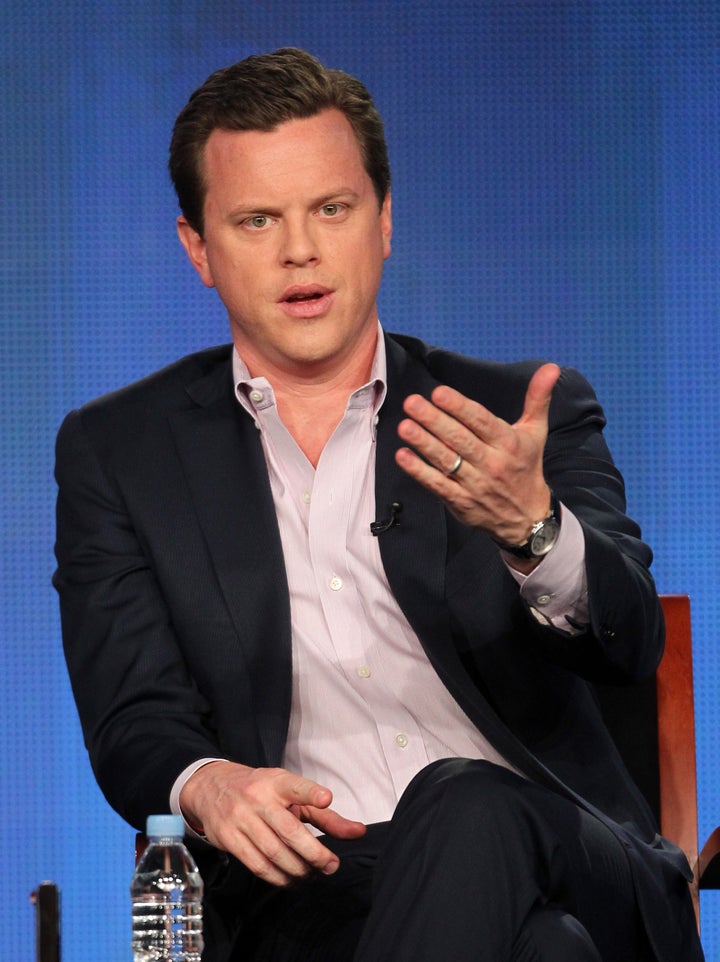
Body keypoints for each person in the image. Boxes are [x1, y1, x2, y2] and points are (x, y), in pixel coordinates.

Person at [54, 47, 703, 962]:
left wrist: (535, 529)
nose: (301, 250)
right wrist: (206, 783)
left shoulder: (514, 415)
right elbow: (133, 714)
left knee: (469, 799)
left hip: (567, 850)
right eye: (256, 219)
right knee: (545, 954)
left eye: (332, 208)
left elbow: (632, 641)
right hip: (316, 893)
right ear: (197, 248)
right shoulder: (121, 453)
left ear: (385, 220)